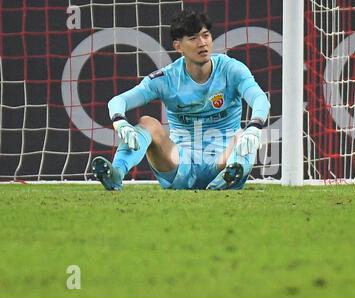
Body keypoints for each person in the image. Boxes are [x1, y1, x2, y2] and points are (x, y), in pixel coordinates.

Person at [91, 9, 270, 190]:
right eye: (193, 38)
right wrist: (119, 121)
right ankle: (116, 173)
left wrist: (254, 127)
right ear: (178, 46)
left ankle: (230, 177)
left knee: (242, 136)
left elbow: (259, 98)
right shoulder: (166, 78)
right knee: (147, 123)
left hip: (223, 162)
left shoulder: (231, 69)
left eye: (205, 35)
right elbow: (119, 101)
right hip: (179, 165)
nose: (202, 43)